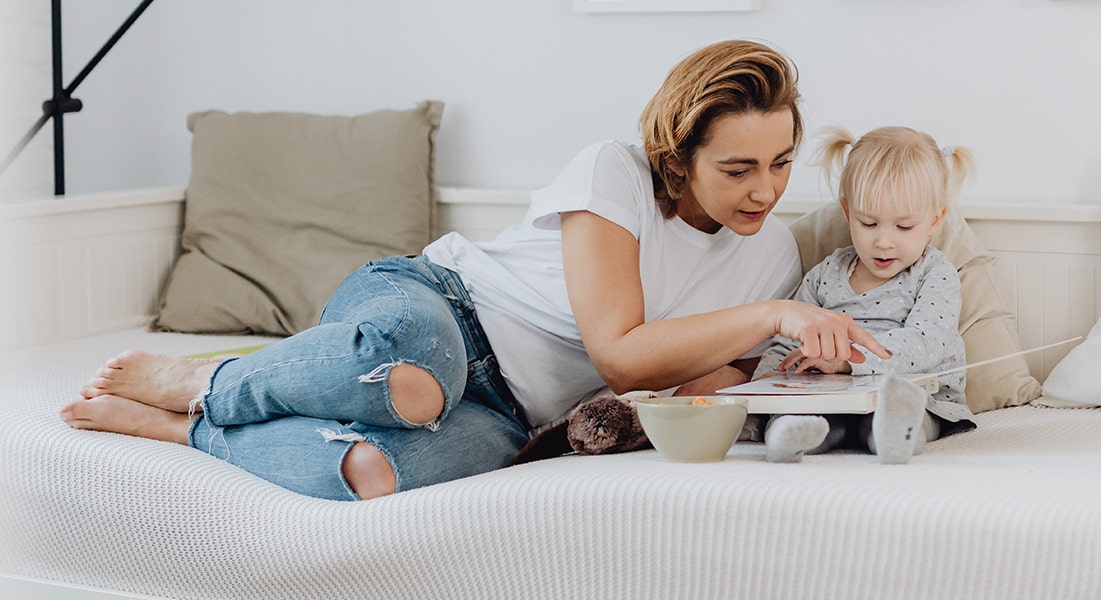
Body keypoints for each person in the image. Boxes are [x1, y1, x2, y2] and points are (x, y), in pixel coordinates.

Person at [60, 39, 890, 501]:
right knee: (414, 381)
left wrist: (782, 366)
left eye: (781, 162)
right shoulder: (616, 173)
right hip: (441, 308)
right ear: (679, 155)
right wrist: (772, 321)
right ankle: (208, 381)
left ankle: (187, 429)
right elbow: (622, 352)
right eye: (739, 168)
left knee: (375, 473)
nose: (767, 189)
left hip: (516, 409)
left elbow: (677, 385)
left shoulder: (775, 255)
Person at [751, 125, 977, 465]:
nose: (884, 241)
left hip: (914, 394)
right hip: (832, 399)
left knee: (900, 413)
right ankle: (790, 434)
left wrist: (847, 360)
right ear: (848, 213)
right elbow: (789, 340)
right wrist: (768, 380)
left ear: (935, 221)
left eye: (903, 227)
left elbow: (927, 342)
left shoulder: (933, 273)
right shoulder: (826, 275)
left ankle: (894, 435)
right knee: (816, 419)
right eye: (869, 223)